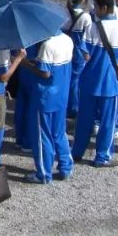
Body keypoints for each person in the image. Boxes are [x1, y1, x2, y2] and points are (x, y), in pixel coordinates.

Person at [72, 0, 118, 168]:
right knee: (108, 122)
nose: (94, 10)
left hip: (89, 81)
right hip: (111, 83)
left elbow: (85, 55)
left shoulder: (92, 28)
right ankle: (102, 157)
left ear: (104, 8)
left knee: (84, 120)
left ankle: (77, 152)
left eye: (96, 7)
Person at [20, 28, 74, 183]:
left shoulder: (47, 45)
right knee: (59, 133)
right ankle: (66, 167)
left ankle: (43, 173)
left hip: (45, 97)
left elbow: (45, 73)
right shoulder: (67, 39)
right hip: (61, 94)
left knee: (42, 136)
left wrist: (24, 63)